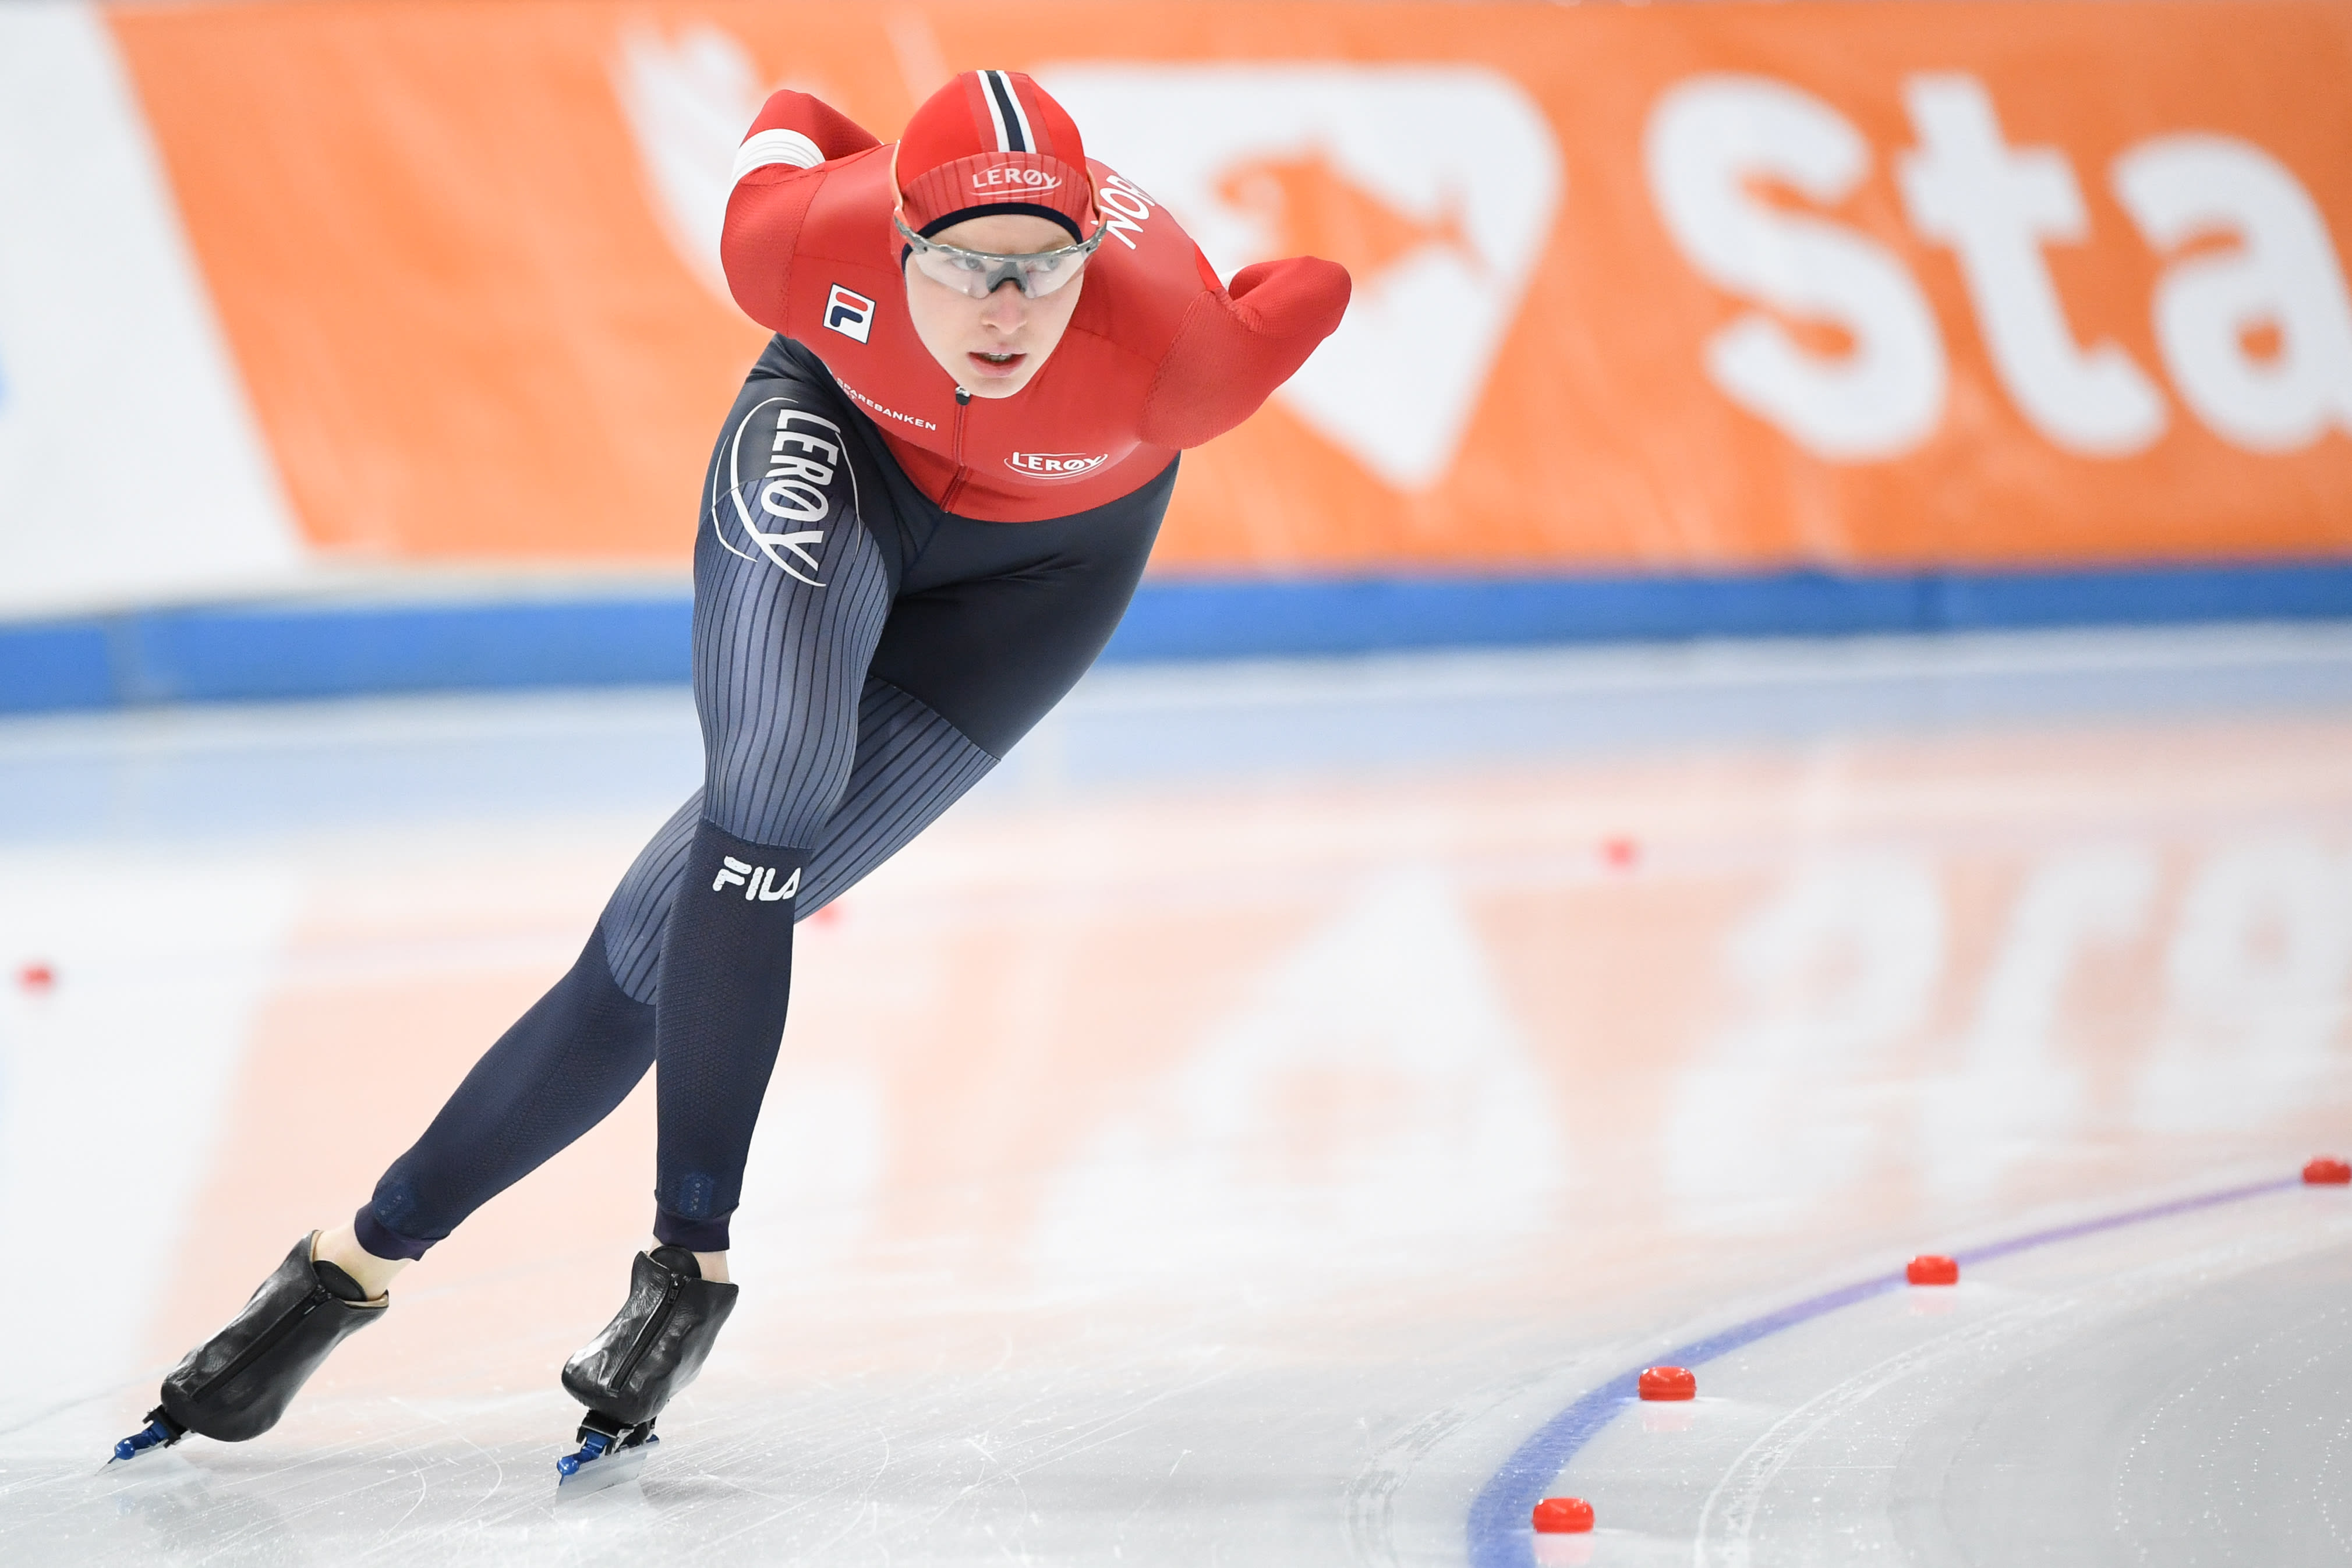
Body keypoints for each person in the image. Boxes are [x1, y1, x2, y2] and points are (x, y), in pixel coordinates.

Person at [111, 68, 1348, 1486]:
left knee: (659, 939)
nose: (1004, 313)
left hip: (1040, 582)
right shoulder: (795, 239)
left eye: (1040, 272)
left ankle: (348, 1265)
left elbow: (1310, 282)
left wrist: (1171, 271)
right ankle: (685, 1263)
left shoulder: (1185, 354)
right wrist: (874, 166)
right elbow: (800, 110)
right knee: (770, 783)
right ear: (895, 240)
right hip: (838, 453)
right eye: (961, 268)